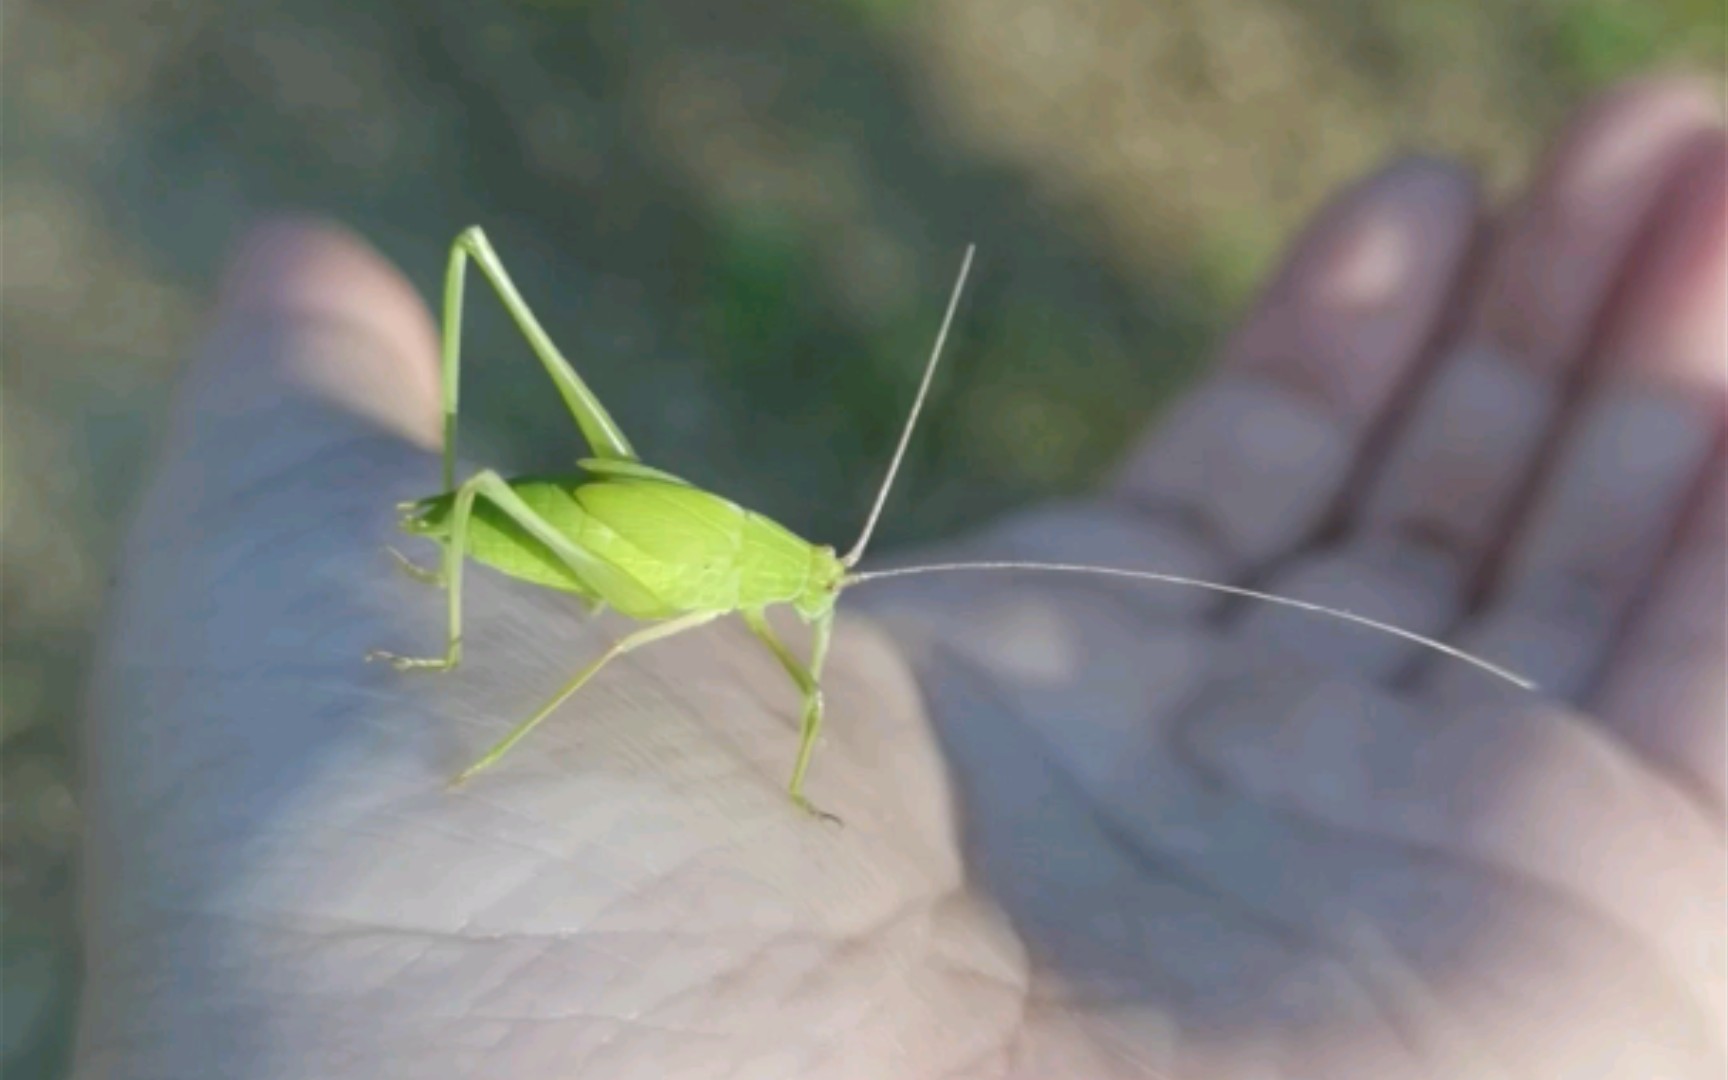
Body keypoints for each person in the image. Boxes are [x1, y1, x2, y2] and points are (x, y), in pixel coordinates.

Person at [74, 77, 1724, 1078]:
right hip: (568, 531)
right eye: (827, 581)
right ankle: (455, 608)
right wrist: (477, 726)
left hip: (626, 532)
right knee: (511, 402)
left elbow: (785, 672)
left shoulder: (791, 595)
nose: (832, 597)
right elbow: (598, 654)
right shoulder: (748, 584)